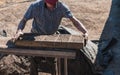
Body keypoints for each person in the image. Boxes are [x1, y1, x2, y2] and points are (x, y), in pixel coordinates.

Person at [13, 0, 88, 40]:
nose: (52, 7)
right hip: (36, 35)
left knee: (52, 61)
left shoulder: (62, 7)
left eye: (54, 4)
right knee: (35, 59)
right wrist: (19, 31)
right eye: (50, 4)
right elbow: (24, 20)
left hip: (52, 36)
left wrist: (85, 32)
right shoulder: (35, 6)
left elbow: (75, 21)